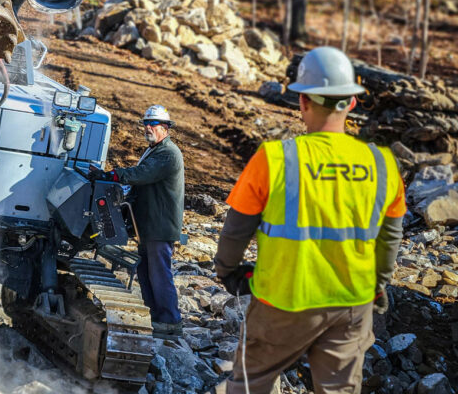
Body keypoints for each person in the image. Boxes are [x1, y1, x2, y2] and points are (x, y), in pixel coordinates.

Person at [214, 47, 406, 394]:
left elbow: (236, 228)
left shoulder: (275, 158)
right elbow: (390, 236)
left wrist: (227, 271)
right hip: (351, 302)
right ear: (350, 103)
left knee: (250, 381)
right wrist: (380, 283)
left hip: (283, 302)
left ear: (302, 102)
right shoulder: (383, 163)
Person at [92, 105, 185, 339]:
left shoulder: (168, 153)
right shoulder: (155, 150)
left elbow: (141, 174)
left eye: (152, 124)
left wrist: (112, 175)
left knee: (159, 272)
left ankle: (170, 320)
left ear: (165, 127)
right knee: (145, 271)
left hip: (159, 225)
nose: (148, 127)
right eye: (146, 123)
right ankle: (156, 316)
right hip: (147, 225)